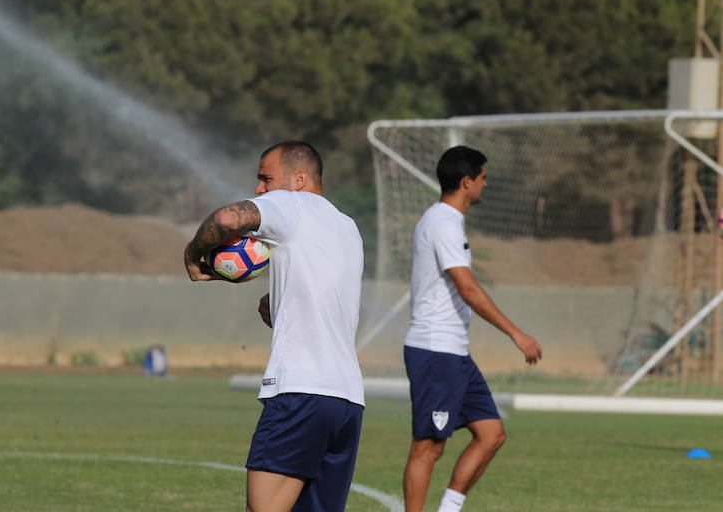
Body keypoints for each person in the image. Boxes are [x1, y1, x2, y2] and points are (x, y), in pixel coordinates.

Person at [184, 141, 365, 512]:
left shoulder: (289, 204)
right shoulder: (347, 227)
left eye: (266, 179)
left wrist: (192, 255)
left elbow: (227, 220)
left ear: (299, 179)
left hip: (300, 393)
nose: (259, 189)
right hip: (347, 401)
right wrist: (279, 304)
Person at [403, 145, 542, 512]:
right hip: (435, 351)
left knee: (491, 435)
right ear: (467, 182)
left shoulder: (448, 221)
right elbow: (467, 288)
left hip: (455, 352)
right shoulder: (443, 222)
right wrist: (516, 333)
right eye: (483, 177)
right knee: (428, 446)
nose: (486, 184)